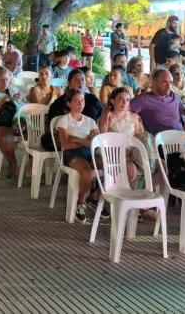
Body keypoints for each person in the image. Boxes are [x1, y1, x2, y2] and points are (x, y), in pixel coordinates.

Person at [55, 88, 101, 223]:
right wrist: (85, 141)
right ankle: (80, 202)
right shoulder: (64, 120)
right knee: (87, 173)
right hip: (72, 154)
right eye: (76, 101)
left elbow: (95, 144)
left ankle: (95, 196)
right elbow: (65, 145)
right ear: (69, 103)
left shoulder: (90, 121)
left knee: (107, 165)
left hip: (89, 152)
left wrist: (77, 139)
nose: (80, 103)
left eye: (82, 100)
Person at [41, 69, 103, 152]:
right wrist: (83, 141)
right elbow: (54, 128)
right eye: (76, 80)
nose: (81, 83)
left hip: (90, 139)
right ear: (69, 83)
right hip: (70, 141)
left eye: (82, 80)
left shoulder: (93, 100)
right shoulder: (59, 103)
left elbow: (100, 119)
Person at [98, 87, 145, 186]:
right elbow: (102, 140)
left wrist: (132, 150)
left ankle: (133, 195)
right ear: (112, 101)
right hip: (112, 154)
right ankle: (106, 193)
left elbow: (140, 137)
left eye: (127, 100)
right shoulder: (107, 116)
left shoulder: (134, 117)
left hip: (131, 154)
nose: (124, 102)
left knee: (160, 165)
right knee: (131, 170)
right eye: (120, 99)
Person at [129, 69, 183, 135]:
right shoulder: (144, 99)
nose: (169, 86)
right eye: (164, 82)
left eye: (171, 82)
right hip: (160, 141)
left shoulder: (175, 96)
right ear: (154, 82)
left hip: (181, 138)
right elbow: (123, 110)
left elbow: (183, 111)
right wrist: (136, 120)